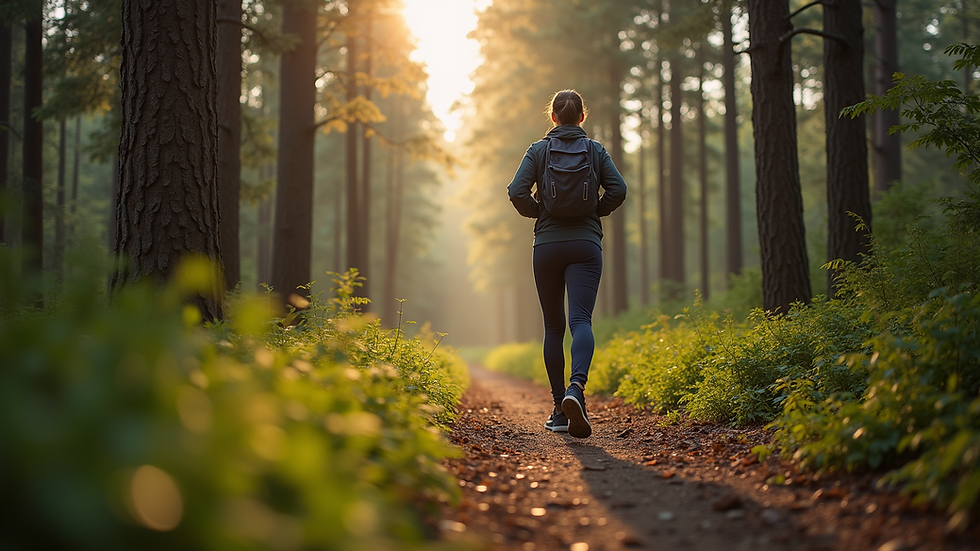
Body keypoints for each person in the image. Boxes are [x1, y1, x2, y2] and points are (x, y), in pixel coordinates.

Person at [506, 89, 627, 438]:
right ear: (582, 118)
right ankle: (577, 388)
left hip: (546, 244)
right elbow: (618, 190)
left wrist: (541, 213)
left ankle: (559, 409)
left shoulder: (538, 150)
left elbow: (516, 191)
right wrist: (593, 213)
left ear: (554, 118)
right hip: (586, 244)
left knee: (554, 328)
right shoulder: (595, 150)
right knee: (581, 321)